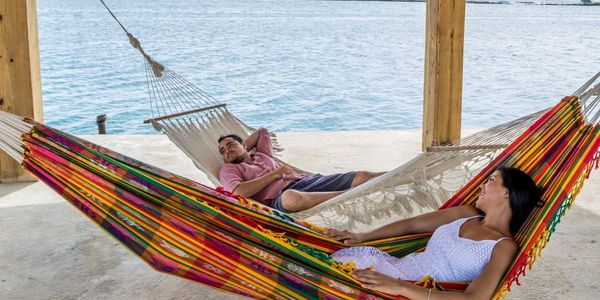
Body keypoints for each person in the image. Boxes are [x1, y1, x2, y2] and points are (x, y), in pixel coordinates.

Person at [325, 166, 541, 300]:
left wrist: (400, 287)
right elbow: (411, 225)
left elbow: (474, 298)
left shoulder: (503, 246)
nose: (482, 186)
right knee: (318, 273)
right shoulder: (467, 213)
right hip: (386, 269)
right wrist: (363, 236)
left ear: (507, 193)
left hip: (408, 293)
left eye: (491, 180)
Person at [218, 128, 384, 212]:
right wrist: (275, 173)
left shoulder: (262, 155)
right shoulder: (229, 169)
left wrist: (242, 148)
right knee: (291, 198)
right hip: (279, 198)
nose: (227, 151)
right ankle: (352, 195)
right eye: (223, 151)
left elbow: (262, 132)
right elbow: (238, 192)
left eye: (231, 145)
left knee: (363, 175)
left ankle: (400, 176)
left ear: (245, 145)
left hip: (305, 181)